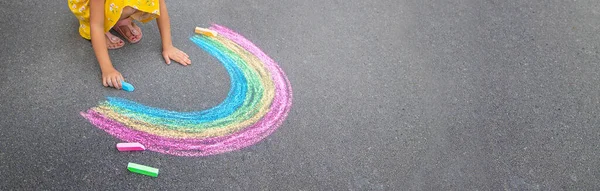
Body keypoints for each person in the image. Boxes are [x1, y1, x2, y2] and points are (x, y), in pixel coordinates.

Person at [68, 0, 192, 89]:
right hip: (88, 8)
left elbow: (160, 4)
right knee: (102, 16)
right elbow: (96, 25)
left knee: (147, 2)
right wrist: (107, 69)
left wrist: (168, 46)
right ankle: (101, 25)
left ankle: (119, 19)